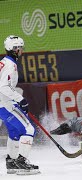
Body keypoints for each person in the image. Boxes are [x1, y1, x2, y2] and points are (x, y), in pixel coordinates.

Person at [0, 35, 39, 175]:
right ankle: (21, 162)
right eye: (19, 48)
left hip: (2, 105)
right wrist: (20, 99)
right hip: (5, 105)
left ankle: (11, 161)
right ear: (13, 49)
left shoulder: (4, 62)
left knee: (14, 132)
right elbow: (3, 87)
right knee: (29, 129)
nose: (21, 50)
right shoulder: (10, 65)